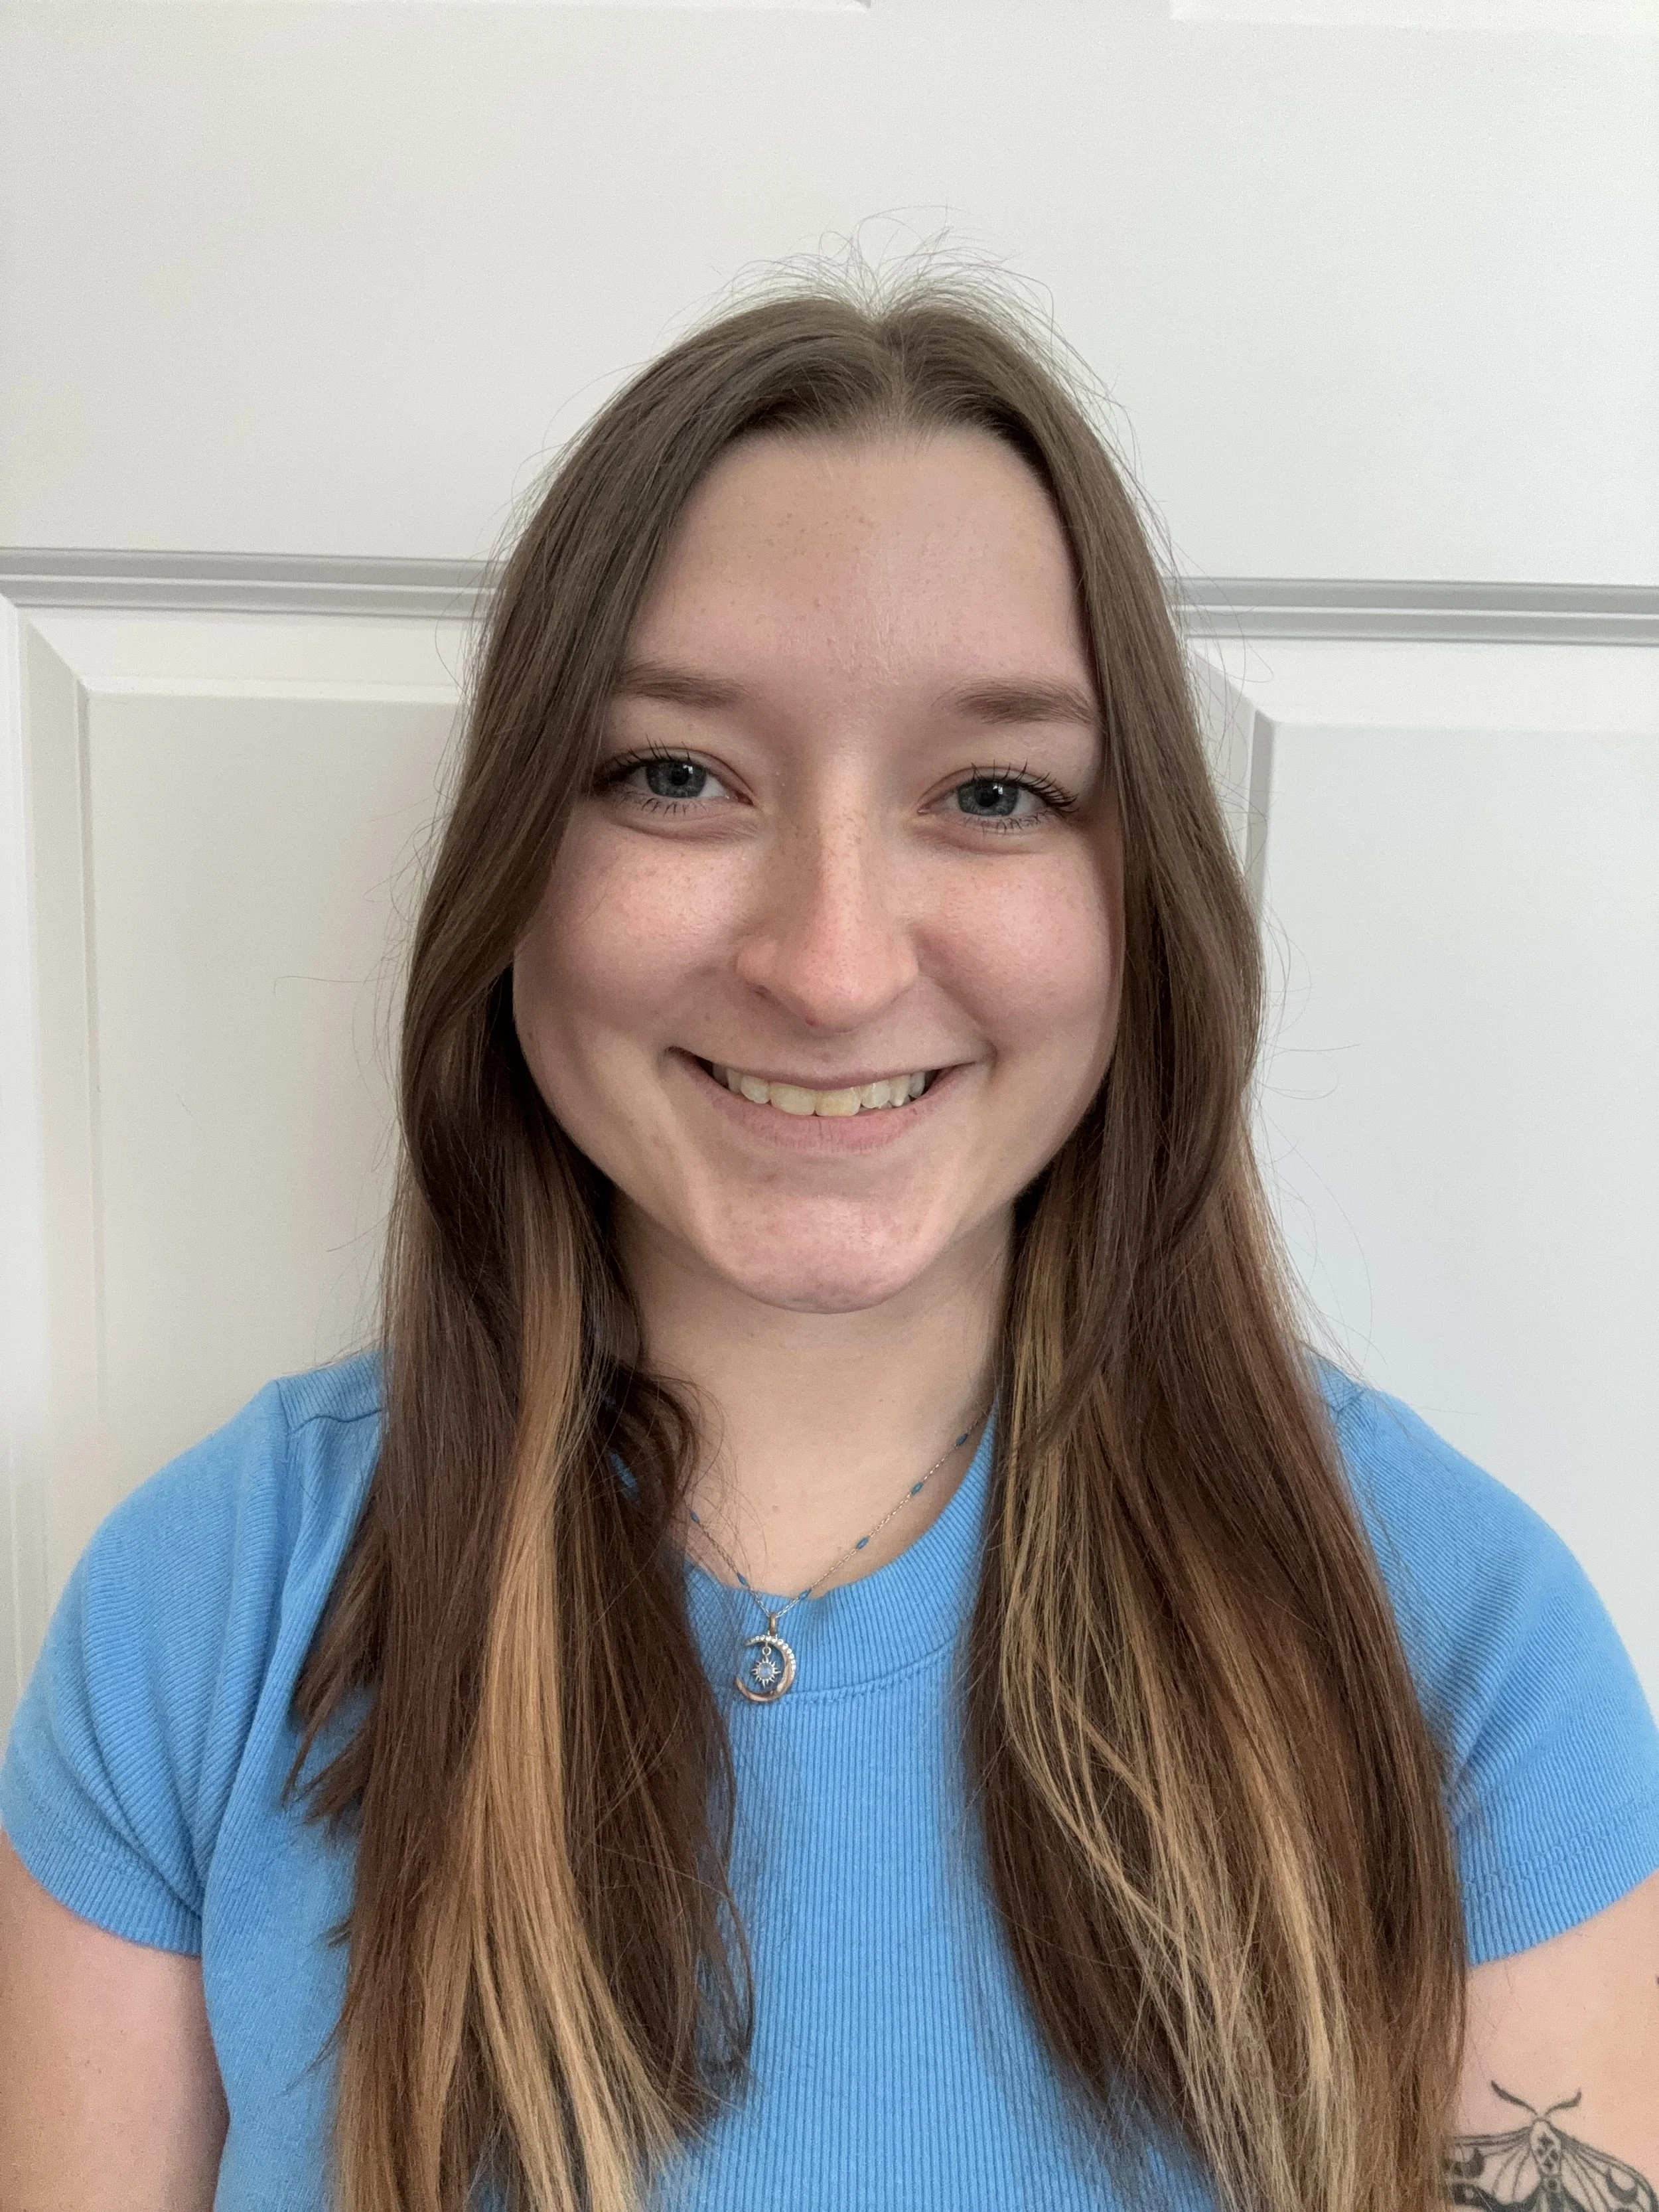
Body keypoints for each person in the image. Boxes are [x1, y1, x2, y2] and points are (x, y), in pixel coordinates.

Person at [1, 275, 1656, 2212]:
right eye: (676, 774)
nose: (829, 960)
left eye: (992, 791)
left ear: (1144, 904)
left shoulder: (1460, 1641)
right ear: (514, 863)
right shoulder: (209, 1604)